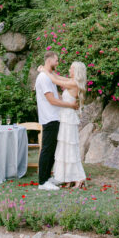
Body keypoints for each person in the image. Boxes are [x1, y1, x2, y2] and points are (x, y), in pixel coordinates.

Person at [34, 51, 78, 191]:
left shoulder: (49, 76)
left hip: (55, 117)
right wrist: (70, 105)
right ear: (49, 61)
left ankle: (47, 178)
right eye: (56, 61)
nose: (58, 63)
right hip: (49, 117)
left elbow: (56, 93)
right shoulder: (43, 78)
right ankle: (42, 182)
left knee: (52, 149)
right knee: (47, 149)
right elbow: (52, 100)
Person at [45, 61, 87, 189]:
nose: (69, 70)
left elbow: (57, 81)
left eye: (71, 68)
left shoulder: (74, 83)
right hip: (65, 117)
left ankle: (79, 177)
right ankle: (68, 177)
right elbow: (57, 78)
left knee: (69, 148)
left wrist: (44, 71)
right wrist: (49, 71)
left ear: (76, 71)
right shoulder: (72, 81)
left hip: (68, 119)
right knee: (64, 148)